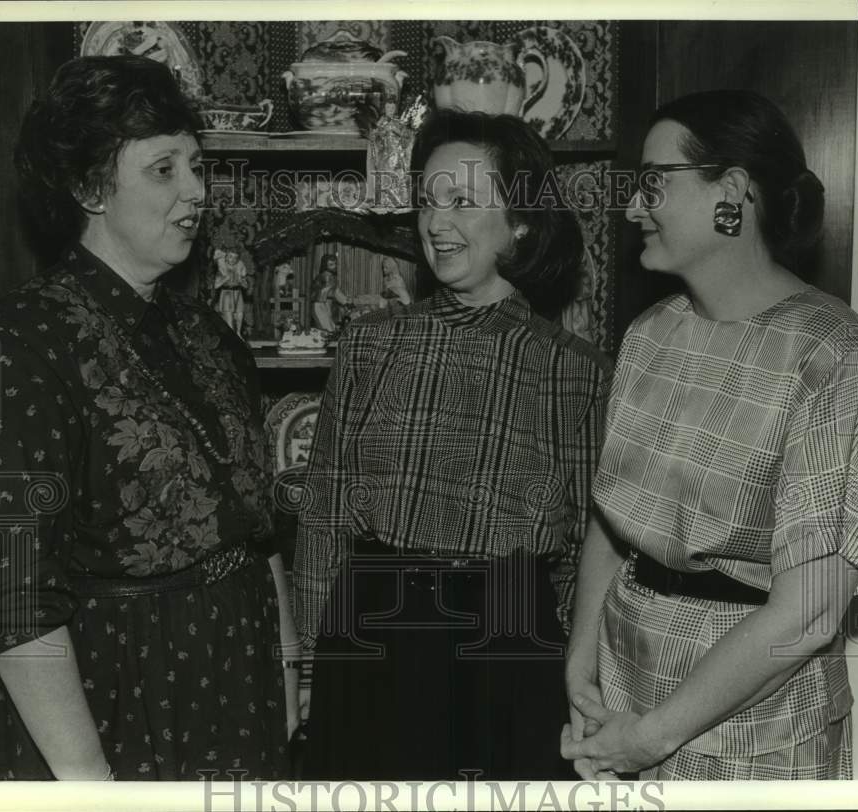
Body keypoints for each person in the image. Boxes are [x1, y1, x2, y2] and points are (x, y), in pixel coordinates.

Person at [0, 55, 299, 781]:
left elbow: (259, 531)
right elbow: (12, 598)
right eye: (163, 170)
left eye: (198, 167)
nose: (197, 192)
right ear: (86, 187)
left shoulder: (214, 337)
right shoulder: (18, 346)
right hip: (114, 707)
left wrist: (286, 676)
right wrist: (89, 782)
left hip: (240, 691)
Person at [560, 90, 858, 780]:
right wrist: (581, 663)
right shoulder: (649, 336)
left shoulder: (835, 356)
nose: (631, 208)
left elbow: (807, 613)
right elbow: (613, 520)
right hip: (625, 696)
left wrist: (652, 737)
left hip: (752, 727)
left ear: (733, 194)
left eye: (654, 182)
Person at [294, 109, 610, 780]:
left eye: (463, 201)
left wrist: (566, 675)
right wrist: (310, 668)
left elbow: (583, 551)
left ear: (520, 220)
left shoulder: (574, 368)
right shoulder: (371, 344)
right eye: (428, 202)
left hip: (509, 643)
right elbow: (323, 514)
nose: (436, 223)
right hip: (375, 631)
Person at [212, 248, 251, 336]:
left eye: (235, 258)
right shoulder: (222, 270)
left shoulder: (239, 269)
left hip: (237, 293)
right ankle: (232, 335)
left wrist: (241, 281)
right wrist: (225, 278)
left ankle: (238, 334)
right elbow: (216, 285)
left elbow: (245, 286)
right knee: (228, 316)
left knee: (239, 315)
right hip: (227, 294)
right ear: (226, 258)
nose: (232, 260)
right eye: (230, 257)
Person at [309, 254, 350, 332]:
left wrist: (345, 301)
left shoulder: (331, 277)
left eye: (335, 264)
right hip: (318, 304)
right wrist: (345, 302)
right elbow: (334, 291)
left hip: (325, 304)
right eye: (331, 264)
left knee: (331, 326)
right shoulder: (324, 276)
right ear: (325, 265)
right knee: (326, 327)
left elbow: (335, 291)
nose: (334, 266)